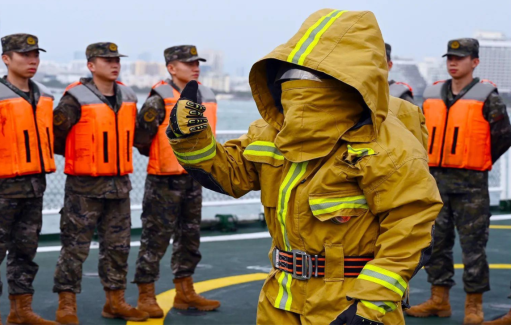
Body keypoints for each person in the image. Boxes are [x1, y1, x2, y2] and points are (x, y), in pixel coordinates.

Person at [165, 9, 441, 325]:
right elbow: (232, 176)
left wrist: (372, 305)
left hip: (349, 303)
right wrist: (193, 139)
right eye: (294, 73)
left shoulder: (385, 144)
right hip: (280, 297)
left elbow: (413, 224)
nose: (298, 82)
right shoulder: (270, 131)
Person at [405, 38, 511, 325]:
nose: (453, 62)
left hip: (471, 187)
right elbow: (419, 132)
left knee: (473, 248)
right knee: (435, 244)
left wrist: (478, 160)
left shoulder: (488, 95)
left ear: (474, 62)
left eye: (460, 58)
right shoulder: (432, 94)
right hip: (435, 183)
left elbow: (502, 135)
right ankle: (439, 300)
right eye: (450, 57)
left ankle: (473, 306)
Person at [52, 42, 148, 323]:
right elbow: (56, 136)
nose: (114, 64)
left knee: (118, 248)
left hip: (119, 186)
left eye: (117, 59)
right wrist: (82, 156)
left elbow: (138, 134)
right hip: (84, 187)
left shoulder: (128, 96)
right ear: (91, 66)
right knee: (74, 248)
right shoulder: (74, 98)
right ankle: (67, 304)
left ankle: (115, 301)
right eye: (106, 60)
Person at [0, 34, 57, 325]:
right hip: (0, 189)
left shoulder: (42, 96)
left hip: (34, 187)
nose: (32, 60)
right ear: (7, 59)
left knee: (25, 251)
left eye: (35, 55)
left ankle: (21, 309)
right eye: (25, 55)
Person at [132, 45, 220, 318]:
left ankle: (185, 291)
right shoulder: (158, 98)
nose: (195, 67)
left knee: (189, 238)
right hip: (163, 181)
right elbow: (141, 137)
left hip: (195, 178)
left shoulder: (206, 94)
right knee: (155, 240)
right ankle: (146, 296)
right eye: (188, 62)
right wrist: (164, 156)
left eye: (197, 62)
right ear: (171, 67)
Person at [385, 43, 428, 148]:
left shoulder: (401, 97)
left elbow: (415, 140)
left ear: (389, 65)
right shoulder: (351, 94)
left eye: (379, 60)